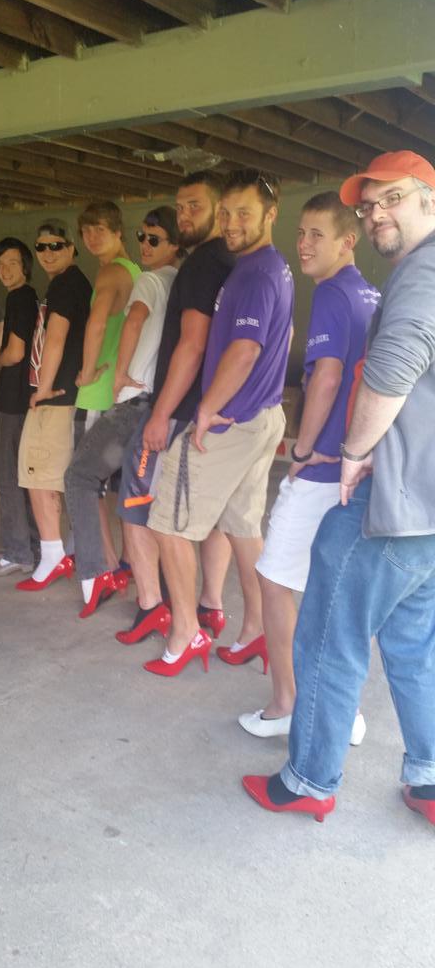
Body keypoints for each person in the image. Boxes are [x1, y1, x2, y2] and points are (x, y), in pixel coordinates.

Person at [243, 150, 435, 828]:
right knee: (413, 644)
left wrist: (353, 451)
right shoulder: (405, 276)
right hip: (428, 508)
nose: (378, 211)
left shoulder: (419, 275)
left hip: (395, 498)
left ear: (428, 202)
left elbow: (396, 360)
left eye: (393, 199)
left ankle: (308, 781)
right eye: (369, 203)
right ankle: (429, 777)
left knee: (327, 635)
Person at [237, 192, 379, 744]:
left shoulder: (332, 295)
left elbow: (324, 377)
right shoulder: (372, 292)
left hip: (323, 470)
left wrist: (301, 450)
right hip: (359, 464)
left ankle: (286, 704)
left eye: (317, 234)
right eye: (301, 233)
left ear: (349, 241)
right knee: (338, 591)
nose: (304, 244)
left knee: (274, 580)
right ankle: (343, 709)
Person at [146, 170, 294, 677]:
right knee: (241, 526)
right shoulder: (270, 266)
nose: (231, 223)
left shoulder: (252, 273)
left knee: (167, 523)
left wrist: (206, 410)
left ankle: (186, 632)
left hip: (231, 421)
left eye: (244, 213)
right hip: (263, 416)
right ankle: (257, 632)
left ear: (270, 215)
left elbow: (245, 348)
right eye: (226, 213)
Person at [115, 171, 235, 647]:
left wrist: (160, 413)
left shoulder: (202, 264)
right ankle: (211, 606)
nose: (184, 214)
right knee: (212, 515)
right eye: (180, 206)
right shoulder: (237, 262)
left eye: (194, 206)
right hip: (210, 408)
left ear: (218, 209)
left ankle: (152, 607)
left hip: (178, 407)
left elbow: (191, 343)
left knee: (136, 502)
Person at [64, 206, 181, 619]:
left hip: (134, 400)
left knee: (80, 475)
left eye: (155, 239)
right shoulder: (179, 281)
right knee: (140, 496)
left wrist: (117, 374)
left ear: (174, 244)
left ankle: (96, 573)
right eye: (143, 237)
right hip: (164, 405)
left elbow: (127, 322)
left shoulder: (146, 280)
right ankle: (156, 589)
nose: (145, 245)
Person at [69, 200, 141, 615]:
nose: (92, 237)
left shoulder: (111, 272)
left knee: (85, 483)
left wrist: (86, 369)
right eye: (86, 231)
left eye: (100, 229)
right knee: (121, 489)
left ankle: (101, 570)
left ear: (118, 231)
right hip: (126, 395)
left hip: (98, 394)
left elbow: (97, 323)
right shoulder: (138, 274)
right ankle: (126, 565)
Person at [15, 219, 92, 592]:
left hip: (56, 397)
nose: (48, 253)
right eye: (41, 247)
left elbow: (56, 338)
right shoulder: (71, 284)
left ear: (71, 247)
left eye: (56, 246)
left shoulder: (65, 285)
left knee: (38, 475)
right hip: (67, 397)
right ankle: (64, 553)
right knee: (52, 477)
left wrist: (42, 388)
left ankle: (52, 556)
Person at [0, 238, 39, 577]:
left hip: (14, 400)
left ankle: (18, 552)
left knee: (6, 476)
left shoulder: (20, 298)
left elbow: (15, 352)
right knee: (21, 476)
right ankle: (30, 546)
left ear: (25, 266)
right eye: (0, 264)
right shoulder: (25, 298)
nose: (5, 270)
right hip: (24, 400)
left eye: (12, 263)